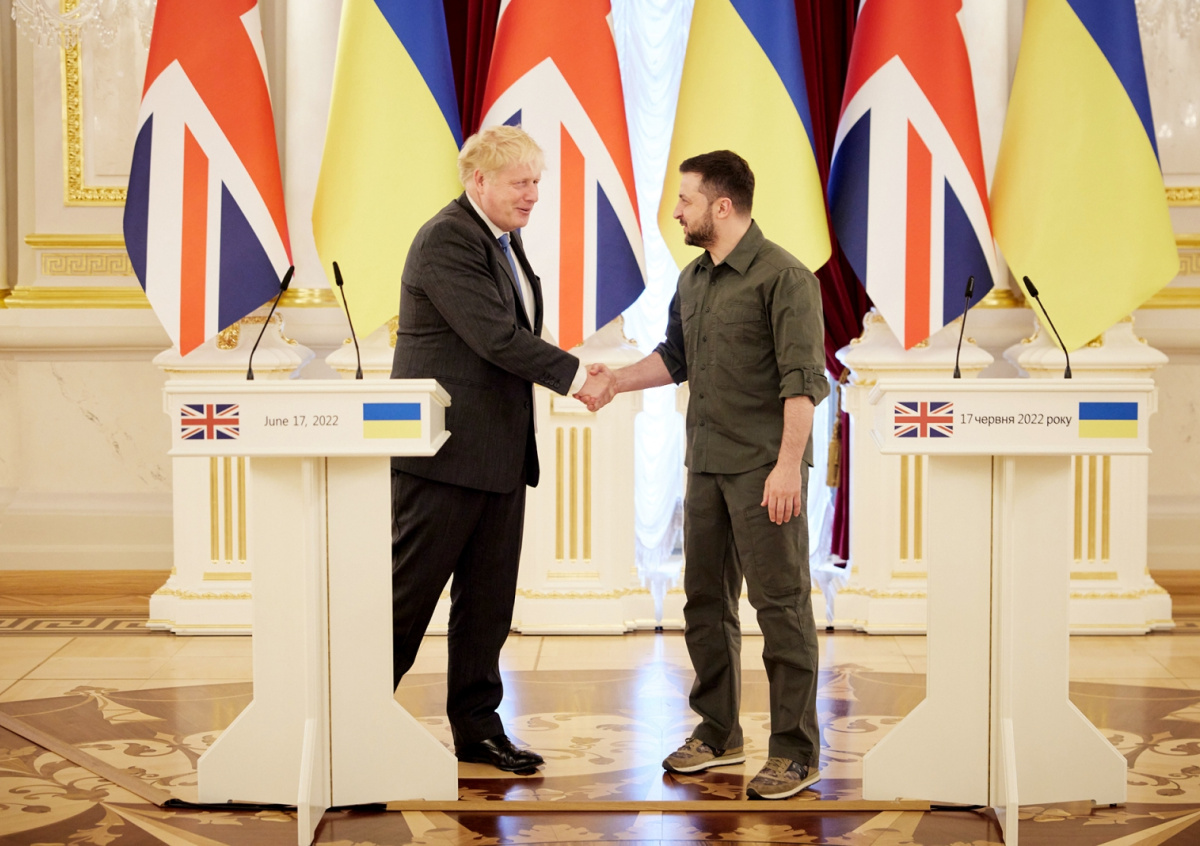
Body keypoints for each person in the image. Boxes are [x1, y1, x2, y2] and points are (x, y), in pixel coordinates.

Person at [577, 150, 829, 799]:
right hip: (707, 465)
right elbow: (676, 357)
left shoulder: (786, 278)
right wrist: (615, 381)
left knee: (781, 607)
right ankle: (718, 732)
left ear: (722, 205)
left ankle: (796, 752)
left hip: (765, 471)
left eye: (686, 200)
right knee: (706, 604)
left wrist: (787, 468)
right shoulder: (693, 279)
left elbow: (803, 382)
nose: (677, 211)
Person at [390, 125, 612, 774]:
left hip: (498, 455)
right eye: (521, 182)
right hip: (445, 457)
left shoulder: (500, 240)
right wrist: (578, 377)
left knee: (487, 605)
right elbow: (494, 337)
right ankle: (350, 714)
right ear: (478, 180)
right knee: (407, 600)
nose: (533, 194)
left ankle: (478, 731)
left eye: (537, 181)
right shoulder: (448, 238)